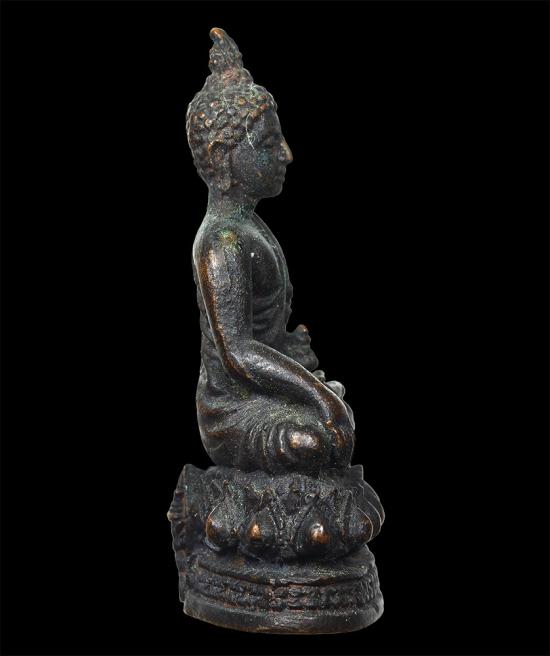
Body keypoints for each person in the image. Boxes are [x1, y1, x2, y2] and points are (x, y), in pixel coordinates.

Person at [187, 28, 355, 475]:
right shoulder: (220, 243)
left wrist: (289, 351)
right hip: (231, 410)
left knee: (334, 421)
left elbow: (262, 336)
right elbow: (238, 352)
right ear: (223, 158)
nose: (286, 154)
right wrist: (317, 396)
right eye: (267, 145)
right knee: (314, 441)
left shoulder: (249, 228)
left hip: (259, 390)